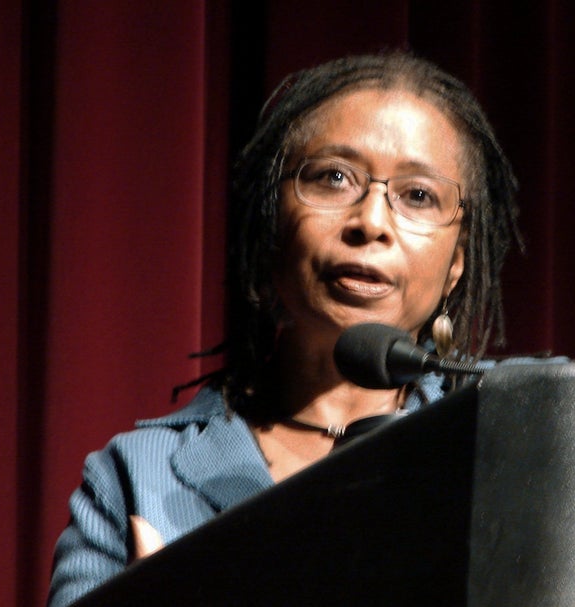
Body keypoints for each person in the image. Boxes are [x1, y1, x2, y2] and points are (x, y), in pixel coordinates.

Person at [47, 50, 521, 606]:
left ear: (456, 265)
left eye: (418, 196)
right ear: (272, 224)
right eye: (334, 178)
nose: (370, 222)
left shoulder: (524, 427)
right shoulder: (135, 479)